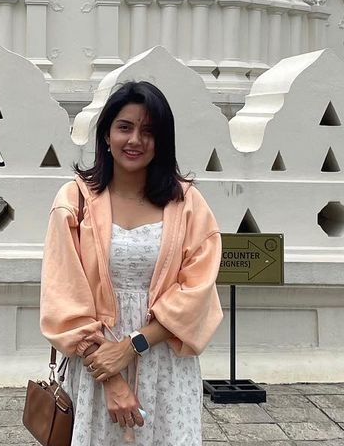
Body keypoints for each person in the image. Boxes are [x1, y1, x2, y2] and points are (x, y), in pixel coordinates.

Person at [40, 80, 223, 445]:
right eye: (124, 127)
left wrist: (132, 345)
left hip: (166, 364)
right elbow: (63, 296)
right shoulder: (74, 201)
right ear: (106, 135)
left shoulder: (187, 203)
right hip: (96, 364)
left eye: (148, 131)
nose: (135, 140)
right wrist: (111, 376)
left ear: (163, 141)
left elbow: (197, 290)